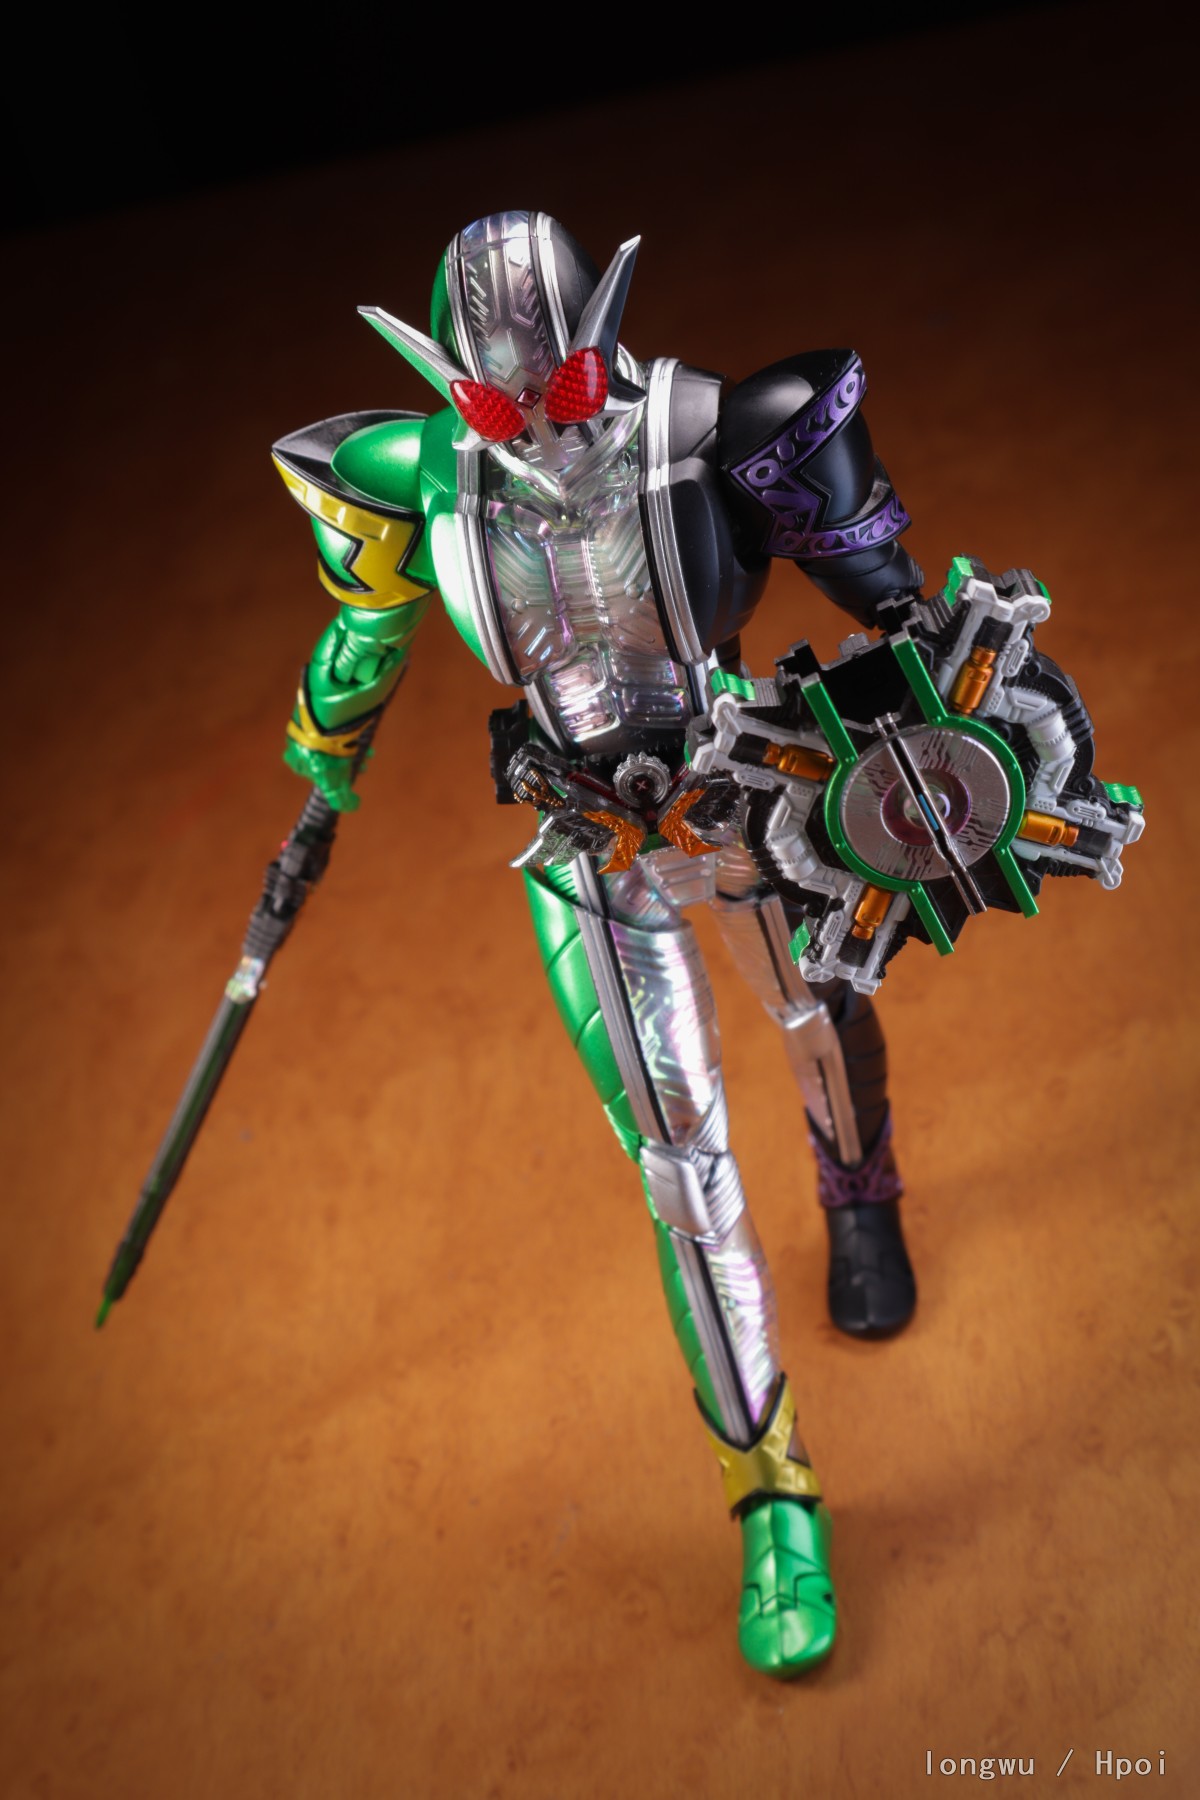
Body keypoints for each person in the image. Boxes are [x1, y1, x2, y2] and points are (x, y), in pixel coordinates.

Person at [271, 209, 933, 1678]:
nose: (535, 433)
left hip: (749, 797)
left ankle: (859, 1187)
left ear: (604, 340)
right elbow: (367, 631)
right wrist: (323, 745)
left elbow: (896, 605)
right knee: (680, 1163)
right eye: (494, 404)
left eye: (558, 392)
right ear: (447, 383)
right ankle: (773, 1495)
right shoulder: (416, 474)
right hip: (584, 844)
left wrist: (941, 696)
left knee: (817, 1018)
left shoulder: (711, 433)